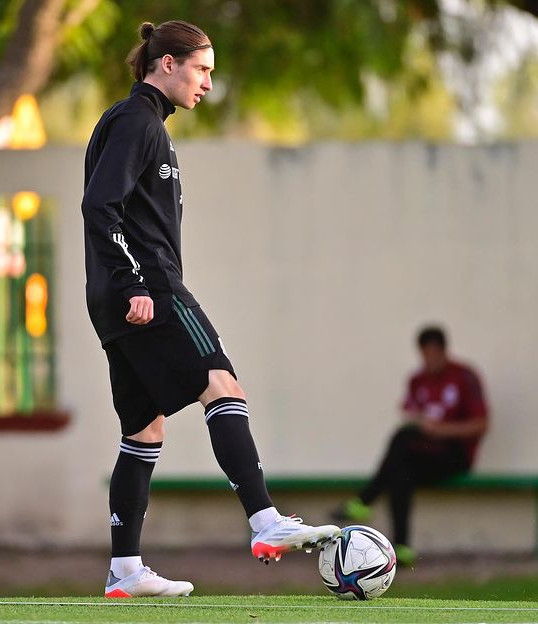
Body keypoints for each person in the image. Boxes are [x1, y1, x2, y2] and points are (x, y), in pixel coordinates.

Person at [81, 20, 340, 599]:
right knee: (221, 383)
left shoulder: (145, 123)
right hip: (148, 289)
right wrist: (132, 284)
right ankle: (264, 520)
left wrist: (121, 287)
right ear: (166, 63)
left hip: (121, 296)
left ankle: (125, 571)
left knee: (144, 430)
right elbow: (101, 207)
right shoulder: (135, 121)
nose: (207, 85)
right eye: (202, 70)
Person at [333, 326, 489, 566]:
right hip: (426, 453)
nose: (429, 360)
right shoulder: (418, 380)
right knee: (400, 469)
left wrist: (441, 430)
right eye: (424, 355)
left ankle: (365, 500)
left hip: (455, 455)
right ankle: (402, 547)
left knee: (402, 440)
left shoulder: (464, 376)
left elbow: (481, 424)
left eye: (433, 354)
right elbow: (409, 411)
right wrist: (419, 421)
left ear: (443, 351)